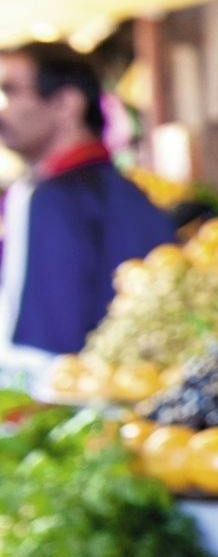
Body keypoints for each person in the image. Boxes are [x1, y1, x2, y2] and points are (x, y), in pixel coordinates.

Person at [0, 43, 174, 382]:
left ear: (67, 103)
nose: (2, 111)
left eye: (10, 91)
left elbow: (45, 346)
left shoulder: (57, 199)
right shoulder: (120, 192)